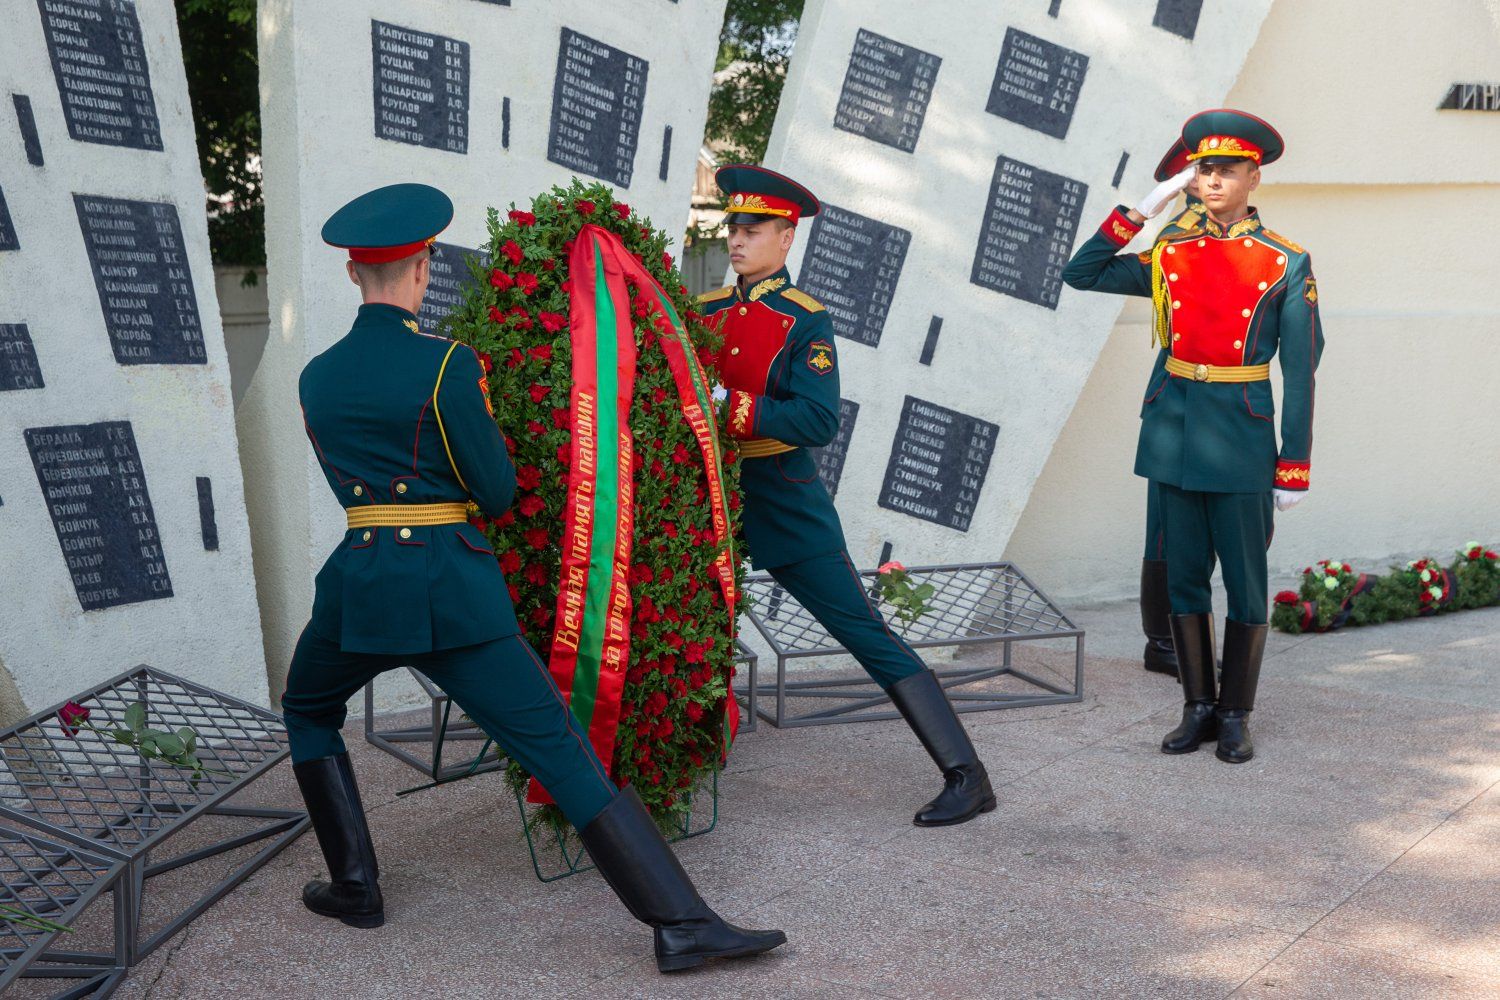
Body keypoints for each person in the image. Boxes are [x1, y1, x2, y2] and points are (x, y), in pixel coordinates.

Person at [281, 182, 785, 972]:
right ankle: (680, 923)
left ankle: (354, 886)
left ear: (353, 274)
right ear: (424, 267)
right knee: (555, 744)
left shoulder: (316, 376)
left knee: (307, 708)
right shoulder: (446, 365)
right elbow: (495, 490)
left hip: (358, 587)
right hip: (449, 587)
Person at [698, 165, 994, 825]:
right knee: (697, 615)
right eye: (733, 227)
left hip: (781, 494)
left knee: (860, 629)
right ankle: (696, 742)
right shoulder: (707, 311)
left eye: (753, 229)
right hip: (712, 492)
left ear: (785, 237)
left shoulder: (804, 320)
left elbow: (817, 420)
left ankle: (968, 776)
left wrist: (730, 404)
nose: (737, 239)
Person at [1062, 110, 1323, 763]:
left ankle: (1235, 714)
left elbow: (1300, 370)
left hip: (1240, 436)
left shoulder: (1285, 261)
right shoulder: (1171, 250)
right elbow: (1082, 272)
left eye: (1226, 170)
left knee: (1245, 583)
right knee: (1183, 580)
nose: (1211, 180)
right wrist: (1144, 208)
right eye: (1202, 169)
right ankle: (1198, 707)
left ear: (1253, 177)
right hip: (1174, 432)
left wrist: (1293, 463)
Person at [1139, 137, 1208, 680]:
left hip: (1225, 406)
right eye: (1204, 172)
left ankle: (1177, 638)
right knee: (1167, 530)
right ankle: (1163, 642)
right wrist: (1145, 208)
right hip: (1178, 400)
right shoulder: (1178, 239)